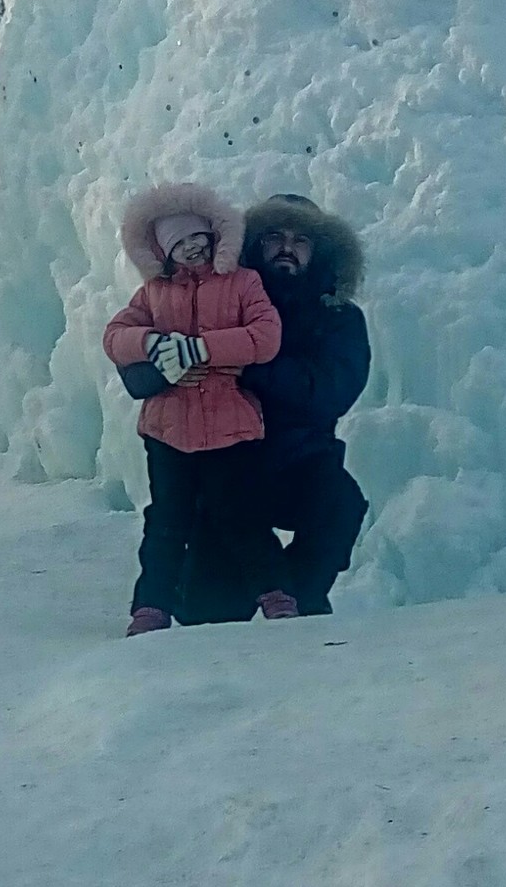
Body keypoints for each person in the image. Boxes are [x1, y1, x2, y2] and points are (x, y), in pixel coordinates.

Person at [101, 181, 291, 635]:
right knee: (167, 521)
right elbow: (114, 337)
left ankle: (276, 594)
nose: (190, 250)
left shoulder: (243, 282)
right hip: (169, 430)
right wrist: (153, 343)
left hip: (230, 425)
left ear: (213, 236)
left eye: (196, 239)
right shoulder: (152, 294)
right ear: (162, 253)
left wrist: (202, 349)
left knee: (242, 515)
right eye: (178, 244)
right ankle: (151, 607)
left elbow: (265, 338)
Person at [184, 192, 371, 620]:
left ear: (319, 250)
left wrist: (245, 363)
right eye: (274, 236)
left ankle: (301, 598)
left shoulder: (338, 317)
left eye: (300, 239)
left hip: (302, 464)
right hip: (224, 470)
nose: (287, 247)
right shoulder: (222, 304)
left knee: (341, 505)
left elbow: (331, 392)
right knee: (206, 618)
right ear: (254, 244)